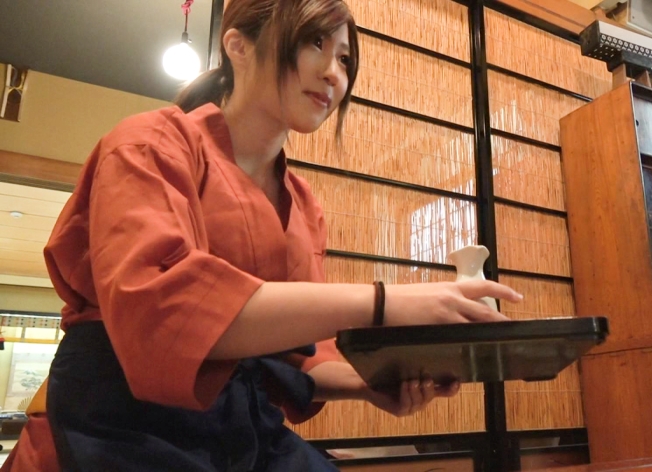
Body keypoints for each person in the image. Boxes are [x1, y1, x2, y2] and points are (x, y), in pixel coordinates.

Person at [0, 0, 522, 470]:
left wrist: (370, 383)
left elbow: (293, 357)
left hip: (237, 427)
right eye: (315, 42)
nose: (334, 73)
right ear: (238, 46)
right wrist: (385, 303)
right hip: (115, 420)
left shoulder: (303, 203)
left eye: (345, 59)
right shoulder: (148, 143)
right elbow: (163, 311)